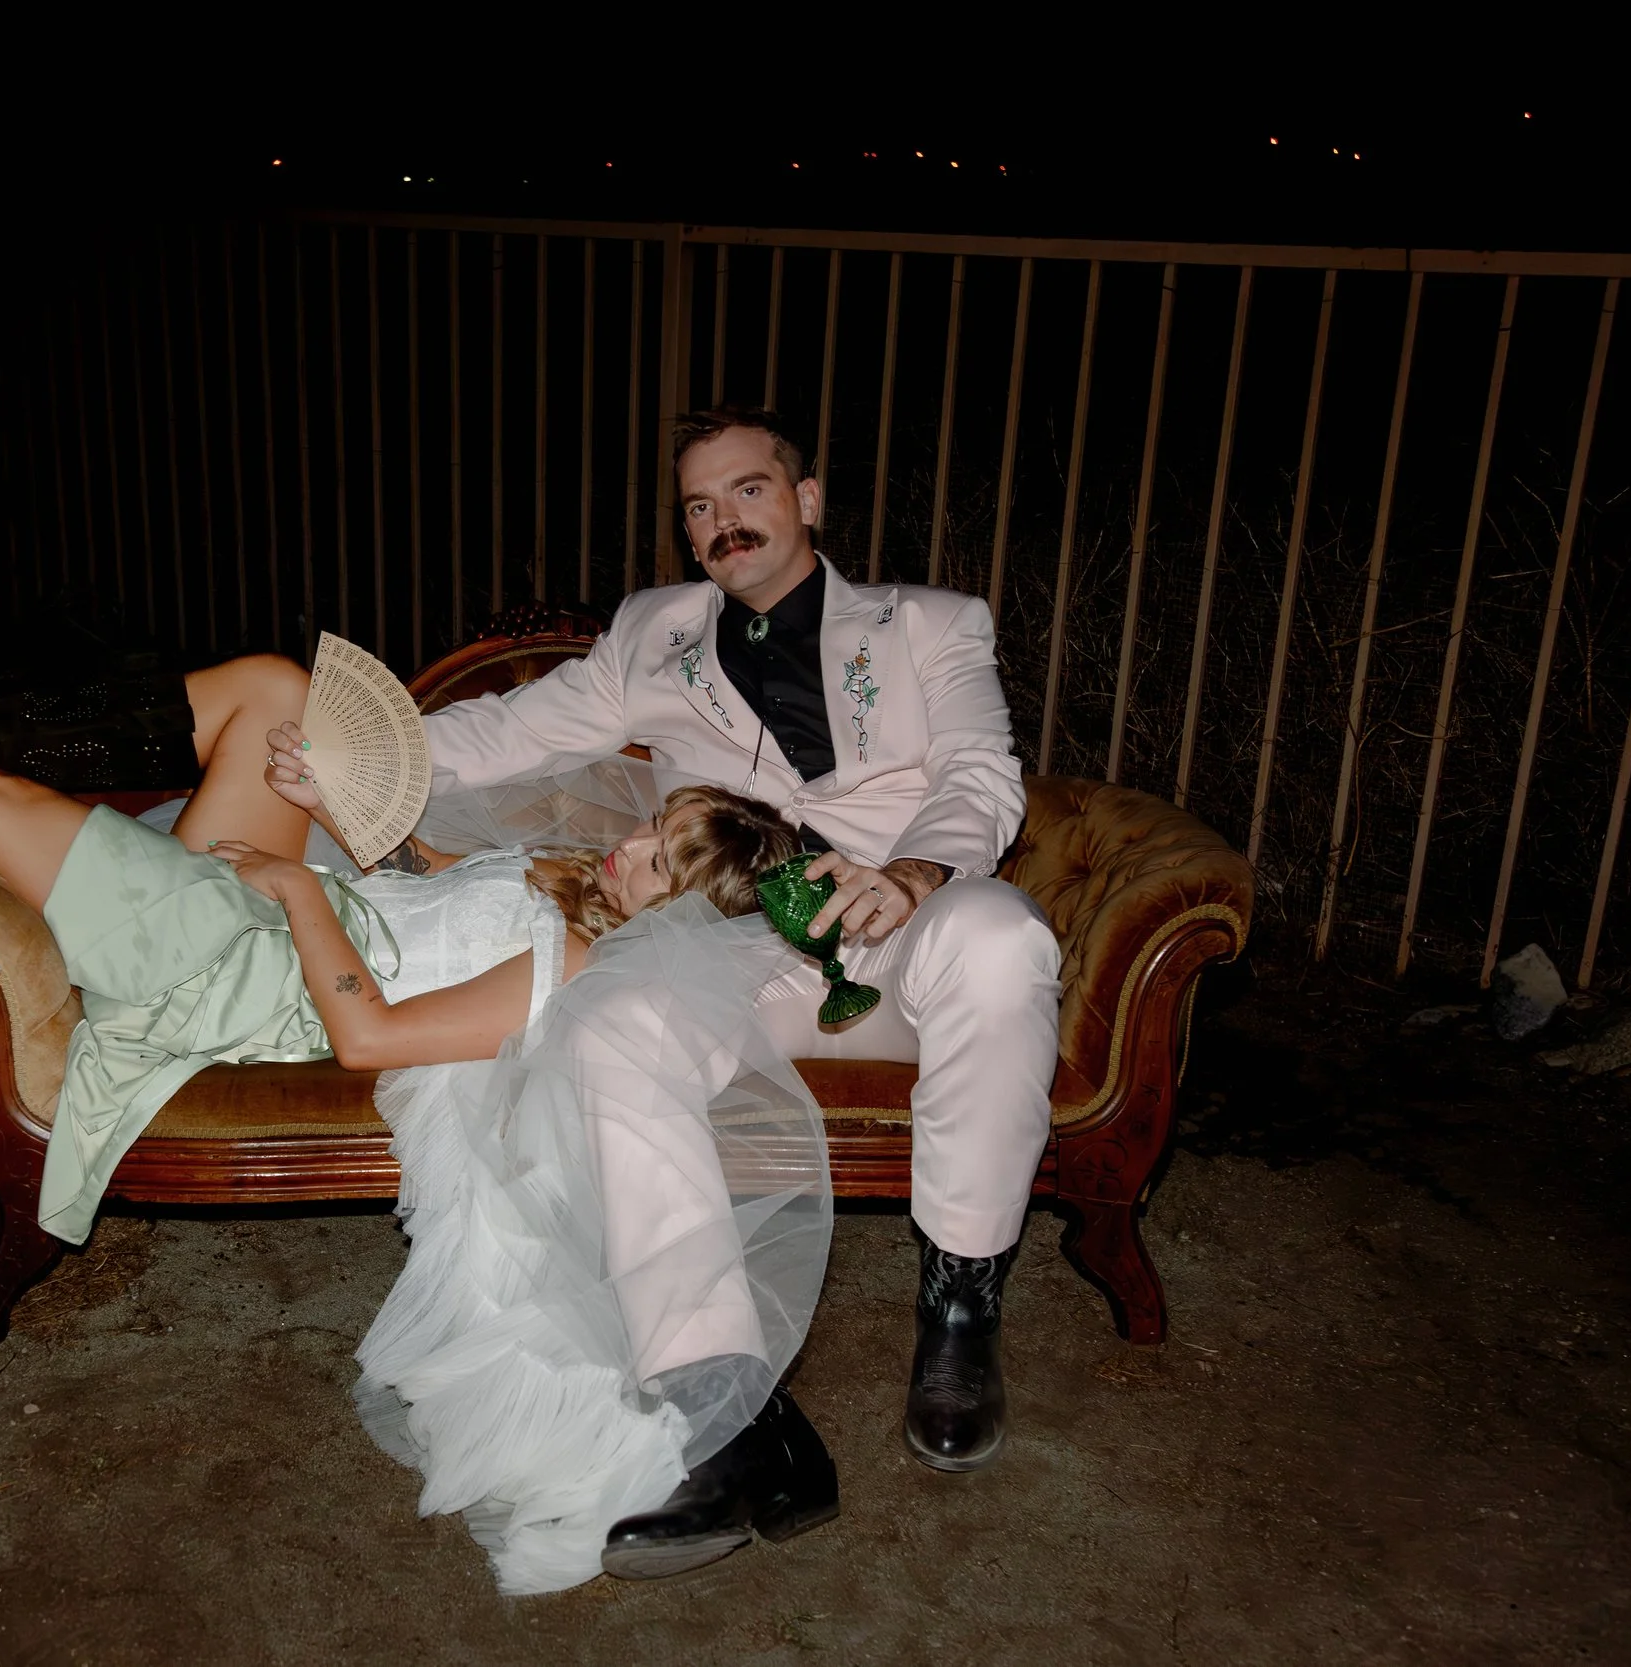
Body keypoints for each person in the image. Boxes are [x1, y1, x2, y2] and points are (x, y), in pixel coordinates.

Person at [0, 472, 840, 1591]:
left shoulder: (572, 965)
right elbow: (438, 876)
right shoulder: (567, 885)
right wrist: (347, 814)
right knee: (275, 692)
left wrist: (292, 892)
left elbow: (375, 1040)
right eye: (650, 826)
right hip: (268, 917)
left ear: (675, 916)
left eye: (653, 859)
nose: (625, 840)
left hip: (235, 966)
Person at [276, 407, 1065, 1484]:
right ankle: (712, 1393)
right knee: (607, 1018)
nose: (721, 521)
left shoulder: (928, 623)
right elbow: (512, 728)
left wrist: (913, 874)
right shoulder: (656, 629)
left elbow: (980, 772)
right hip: (733, 948)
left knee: (1000, 934)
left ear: (807, 498)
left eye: (747, 490)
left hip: (894, 923)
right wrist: (345, 758)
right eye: (698, 505)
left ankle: (961, 1313)